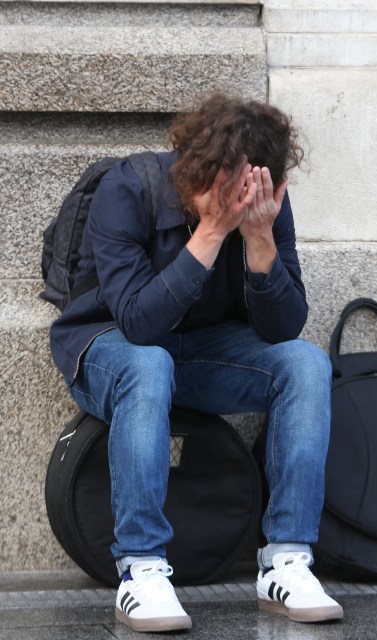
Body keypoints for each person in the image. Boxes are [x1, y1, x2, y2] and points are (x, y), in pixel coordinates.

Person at [49, 93, 342, 633]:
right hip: (111, 348)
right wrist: (210, 231)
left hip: (205, 353)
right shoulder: (127, 189)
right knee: (149, 364)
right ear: (197, 171)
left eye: (257, 185)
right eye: (233, 186)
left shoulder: (263, 202)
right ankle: (140, 570)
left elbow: (282, 328)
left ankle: (286, 562)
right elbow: (138, 322)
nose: (245, 199)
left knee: (304, 364)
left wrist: (258, 239)